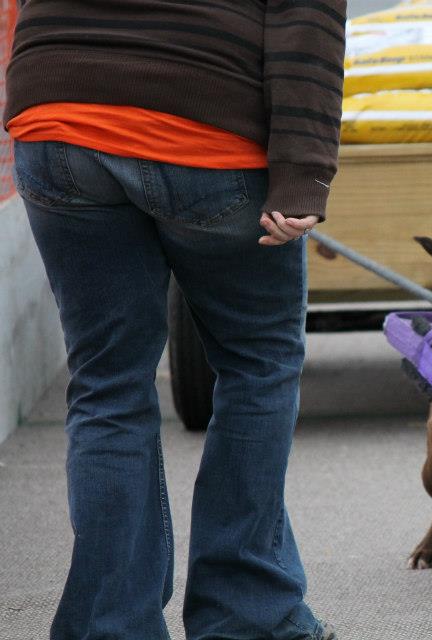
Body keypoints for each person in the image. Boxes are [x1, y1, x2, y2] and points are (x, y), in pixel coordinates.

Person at [4, 1, 345, 638]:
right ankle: (246, 616)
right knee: (257, 366)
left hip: (58, 119)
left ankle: (111, 625)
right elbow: (308, 18)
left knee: (107, 383)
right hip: (207, 134)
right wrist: (302, 173)